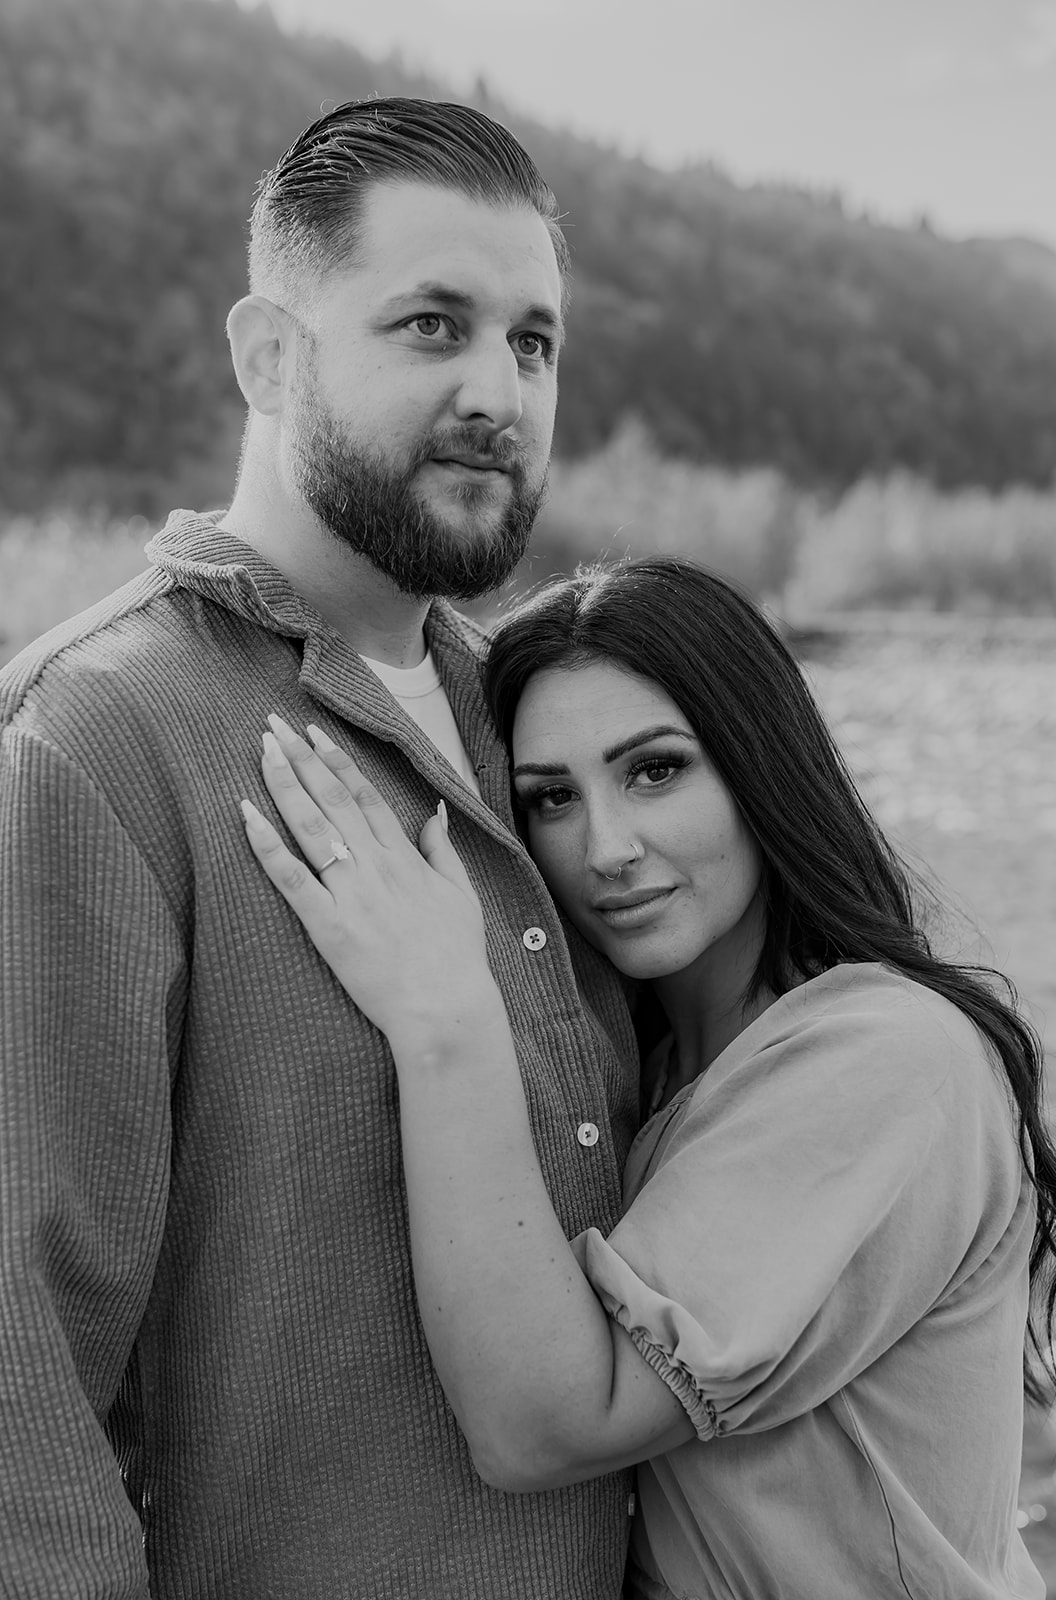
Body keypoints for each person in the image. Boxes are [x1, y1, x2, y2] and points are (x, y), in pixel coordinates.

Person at [0, 100, 642, 1598]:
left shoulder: (538, 729)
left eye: (533, 343)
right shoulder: (92, 744)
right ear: (269, 356)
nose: (499, 391)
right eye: (432, 325)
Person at [243, 556, 1056, 1600]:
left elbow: (542, 1426)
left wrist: (443, 1019)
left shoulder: (886, 1058)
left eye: (655, 770)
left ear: (759, 766)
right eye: (550, 797)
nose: (607, 848)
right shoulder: (648, 1062)